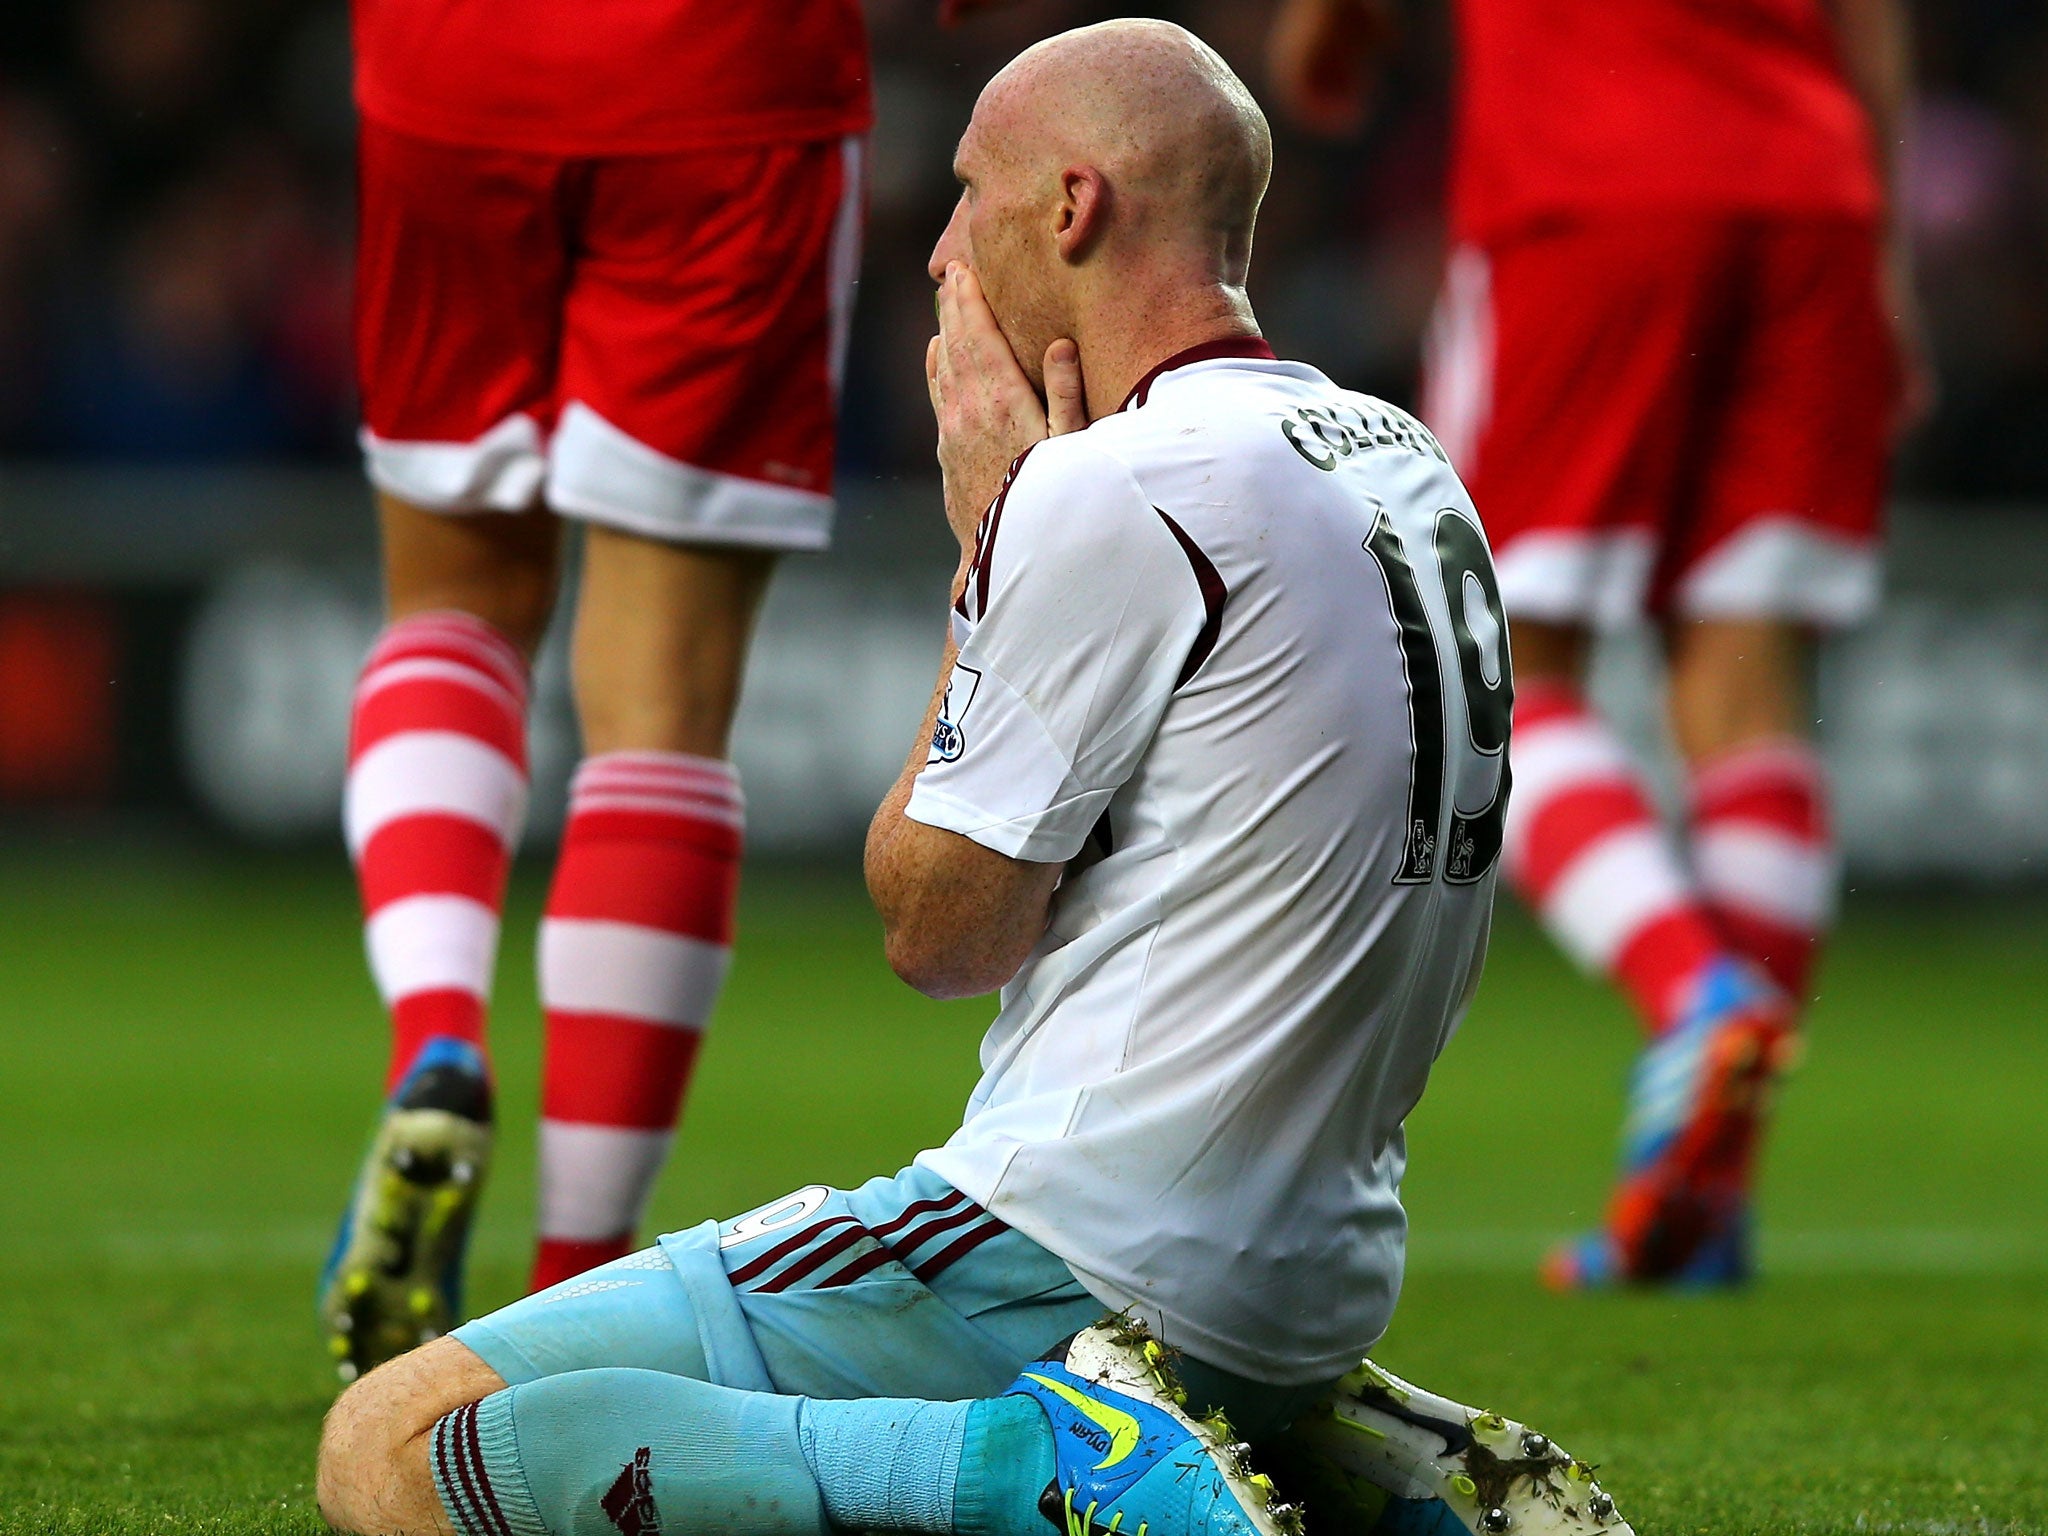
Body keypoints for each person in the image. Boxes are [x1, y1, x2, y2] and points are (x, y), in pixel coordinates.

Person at [315, 21, 1633, 1536]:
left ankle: (1035, 1467)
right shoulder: (1406, 457)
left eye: (967, 194)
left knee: (394, 1444)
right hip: (1311, 1281)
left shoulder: (1109, 487)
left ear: (1071, 208)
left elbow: (937, 932)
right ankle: (1330, 1459)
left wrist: (987, 548)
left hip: (1065, 1244)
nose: (940, 249)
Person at [320, 0, 1038, 1379]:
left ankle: (437, 1037)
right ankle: (568, 1293)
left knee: (454, 606)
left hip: (450, 61)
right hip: (720, 76)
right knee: (661, 706)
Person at [1269, 0, 1924, 1287]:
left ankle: (1694, 997)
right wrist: (1884, 244)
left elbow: (1327, 39)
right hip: (1812, 194)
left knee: (1502, 663)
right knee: (1746, 684)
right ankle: (1708, 1202)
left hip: (1587, 177)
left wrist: (1324, 40)